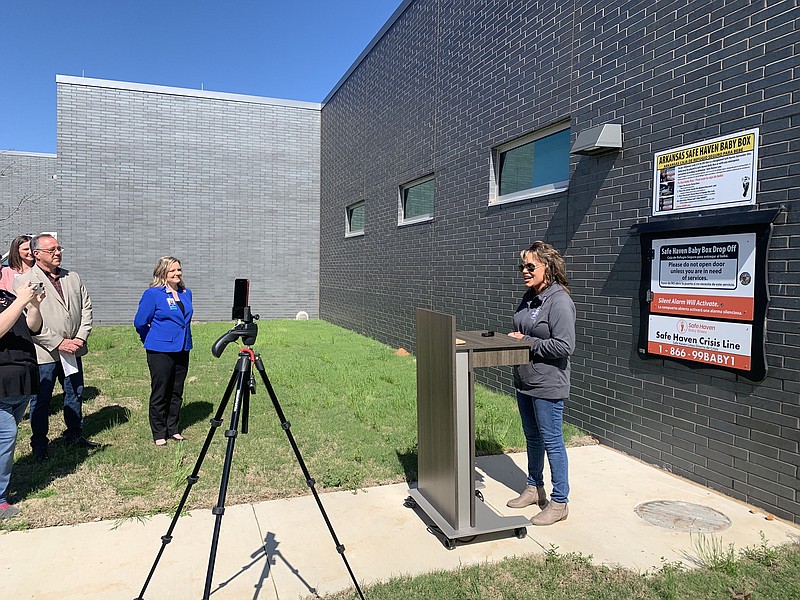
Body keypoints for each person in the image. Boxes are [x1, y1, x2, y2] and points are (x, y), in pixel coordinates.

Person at [506, 241, 576, 526]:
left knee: (552, 441)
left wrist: (526, 342)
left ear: (548, 267)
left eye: (530, 266)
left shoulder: (559, 300)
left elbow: (564, 345)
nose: (524, 270)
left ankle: (560, 502)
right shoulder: (530, 296)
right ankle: (534, 488)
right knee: (532, 438)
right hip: (525, 380)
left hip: (548, 384)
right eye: (522, 266)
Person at [14, 234, 98, 461]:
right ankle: (40, 444)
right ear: (37, 254)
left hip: (73, 350)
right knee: (42, 399)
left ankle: (74, 434)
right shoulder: (24, 281)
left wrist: (79, 338)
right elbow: (29, 322)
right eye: (51, 250)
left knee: (75, 392)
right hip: (45, 353)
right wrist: (59, 342)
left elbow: (87, 308)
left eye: (59, 248)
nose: (57, 252)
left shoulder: (73, 277)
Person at [134, 257, 193, 446]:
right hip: (160, 349)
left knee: (177, 391)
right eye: (172, 271)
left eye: (179, 270)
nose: (177, 274)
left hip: (182, 347)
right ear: (162, 273)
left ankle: (173, 428)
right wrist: (150, 339)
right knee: (161, 391)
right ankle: (159, 432)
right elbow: (140, 322)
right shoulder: (153, 294)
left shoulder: (186, 293)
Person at [0, 281, 45, 519]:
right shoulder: (14, 299)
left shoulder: (7, 297)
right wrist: (20, 301)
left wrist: (34, 305)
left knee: (4, 442)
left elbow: (32, 328)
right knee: (6, 438)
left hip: (21, 382)